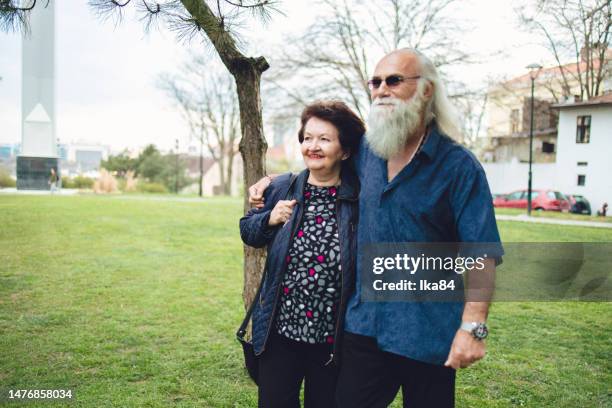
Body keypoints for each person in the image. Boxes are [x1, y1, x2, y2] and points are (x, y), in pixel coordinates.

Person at [248, 49, 503, 408]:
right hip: (364, 329)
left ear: (427, 90)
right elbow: (323, 164)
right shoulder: (368, 153)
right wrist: (273, 180)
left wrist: (473, 329)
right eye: (376, 81)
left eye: (394, 80)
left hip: (428, 334)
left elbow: (482, 254)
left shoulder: (459, 167)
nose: (381, 89)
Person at [239, 101, 364, 408]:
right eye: (308, 138)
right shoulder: (284, 187)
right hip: (279, 336)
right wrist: (269, 218)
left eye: (324, 139)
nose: (313, 146)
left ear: (344, 151)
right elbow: (248, 232)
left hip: (331, 342)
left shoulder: (359, 198)